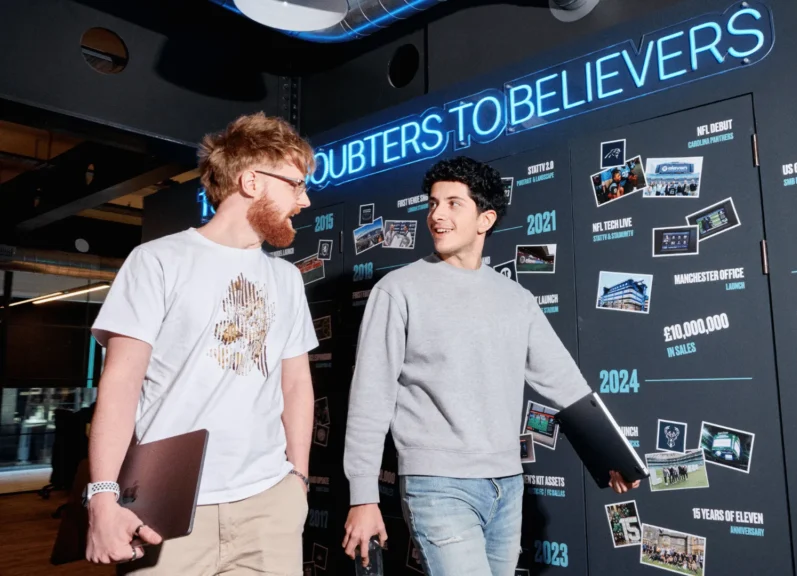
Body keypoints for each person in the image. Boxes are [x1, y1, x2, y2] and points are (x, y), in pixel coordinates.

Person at [342, 156, 640, 575]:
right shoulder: (398, 290)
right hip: (437, 486)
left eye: (453, 204)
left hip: (508, 486)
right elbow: (371, 398)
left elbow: (564, 382)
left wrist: (611, 454)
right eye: (433, 204)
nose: (437, 215)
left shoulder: (516, 298)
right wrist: (363, 496)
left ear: (485, 219)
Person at [84, 112, 320, 575]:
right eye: (295, 184)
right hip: (163, 505)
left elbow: (296, 385)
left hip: (269, 505)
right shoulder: (157, 261)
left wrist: (299, 480)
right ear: (251, 181)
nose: (305, 200)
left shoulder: (287, 278)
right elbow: (121, 383)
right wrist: (102, 496)